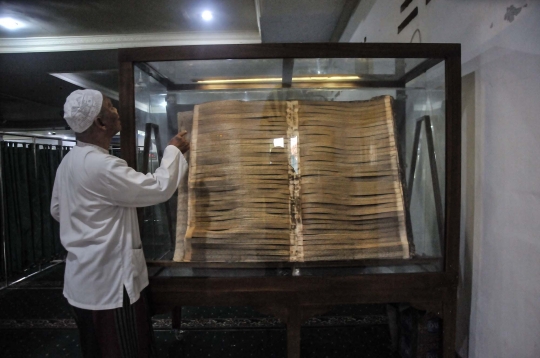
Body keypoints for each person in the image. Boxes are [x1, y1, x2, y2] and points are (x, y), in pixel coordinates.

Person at [50, 89, 189, 357]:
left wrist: (88, 225)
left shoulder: (69, 162)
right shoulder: (101, 166)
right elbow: (158, 188)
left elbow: (58, 210)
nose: (117, 110)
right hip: (110, 284)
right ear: (100, 123)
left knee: (95, 349)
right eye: (111, 106)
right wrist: (173, 150)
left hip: (82, 280)